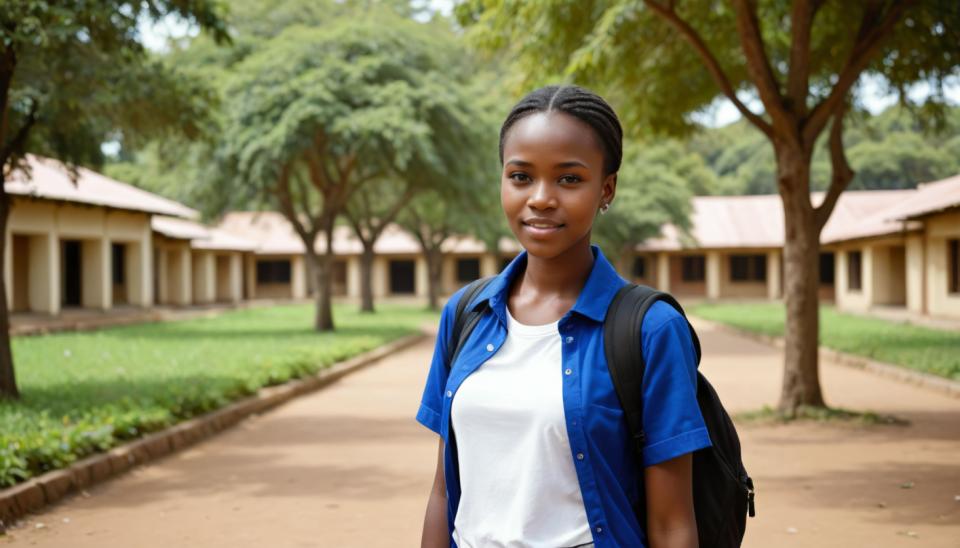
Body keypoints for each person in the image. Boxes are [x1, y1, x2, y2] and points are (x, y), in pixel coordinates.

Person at [416, 85, 710, 548]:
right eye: (520, 176)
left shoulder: (651, 330)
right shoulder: (465, 313)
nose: (540, 198)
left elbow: (673, 523)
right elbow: (443, 494)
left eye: (569, 179)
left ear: (606, 189)